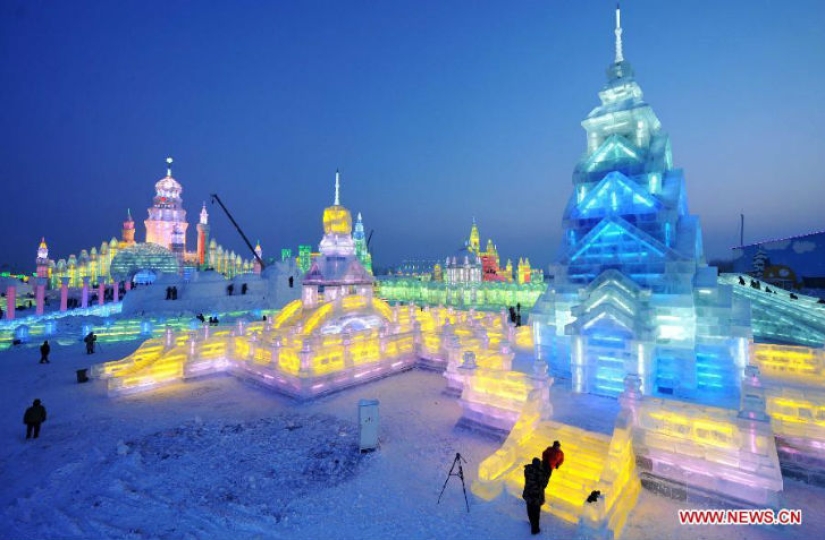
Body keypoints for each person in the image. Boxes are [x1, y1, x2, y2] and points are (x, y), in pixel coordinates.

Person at [523, 457, 550, 535]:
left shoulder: (527, 470)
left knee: (530, 510)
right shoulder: (540, 473)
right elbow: (544, 484)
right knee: (536, 513)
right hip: (536, 496)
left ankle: (532, 523)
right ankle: (535, 529)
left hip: (528, 494)